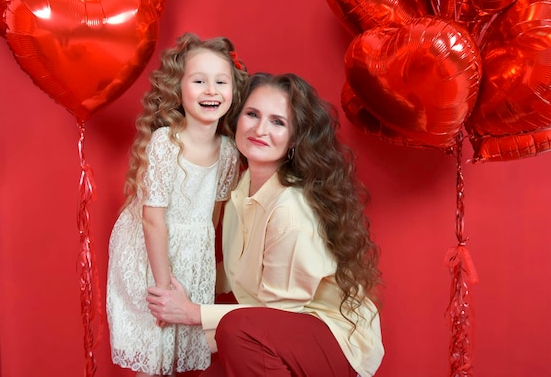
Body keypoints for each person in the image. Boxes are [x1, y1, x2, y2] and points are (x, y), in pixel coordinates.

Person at [147, 72, 385, 377]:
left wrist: (192, 312)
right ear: (237, 118)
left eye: (278, 122)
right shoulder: (242, 187)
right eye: (252, 114)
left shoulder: (289, 208)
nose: (260, 129)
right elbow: (241, 271)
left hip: (335, 344)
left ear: (295, 139)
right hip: (273, 334)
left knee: (238, 329)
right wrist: (178, 281)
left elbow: (275, 316)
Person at [106, 32, 249, 377]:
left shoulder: (229, 152)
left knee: (174, 354)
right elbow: (153, 220)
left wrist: (209, 264)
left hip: (191, 253)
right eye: (199, 81)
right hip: (152, 252)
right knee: (155, 349)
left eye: (220, 81)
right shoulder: (165, 144)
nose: (211, 90)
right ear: (179, 89)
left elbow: (214, 213)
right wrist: (163, 288)